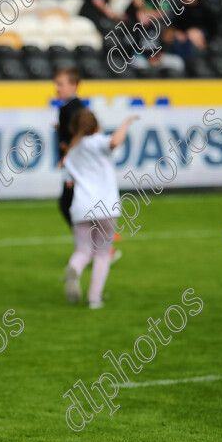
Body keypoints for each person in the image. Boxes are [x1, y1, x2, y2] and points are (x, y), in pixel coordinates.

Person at [62, 111, 138, 309]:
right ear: (96, 127)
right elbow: (114, 142)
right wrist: (126, 123)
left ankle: (75, 268)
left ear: (73, 129)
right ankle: (94, 298)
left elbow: (69, 184)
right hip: (106, 207)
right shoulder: (97, 141)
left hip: (81, 207)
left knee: (83, 251)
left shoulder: (71, 153)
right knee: (103, 254)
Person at [55, 67, 85, 229]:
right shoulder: (72, 107)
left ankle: (96, 243)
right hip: (73, 163)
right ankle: (93, 243)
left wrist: (67, 156)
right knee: (71, 204)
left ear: (74, 85)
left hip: (75, 164)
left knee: (68, 204)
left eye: (61, 84)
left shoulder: (72, 109)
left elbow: (81, 135)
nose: (57, 88)